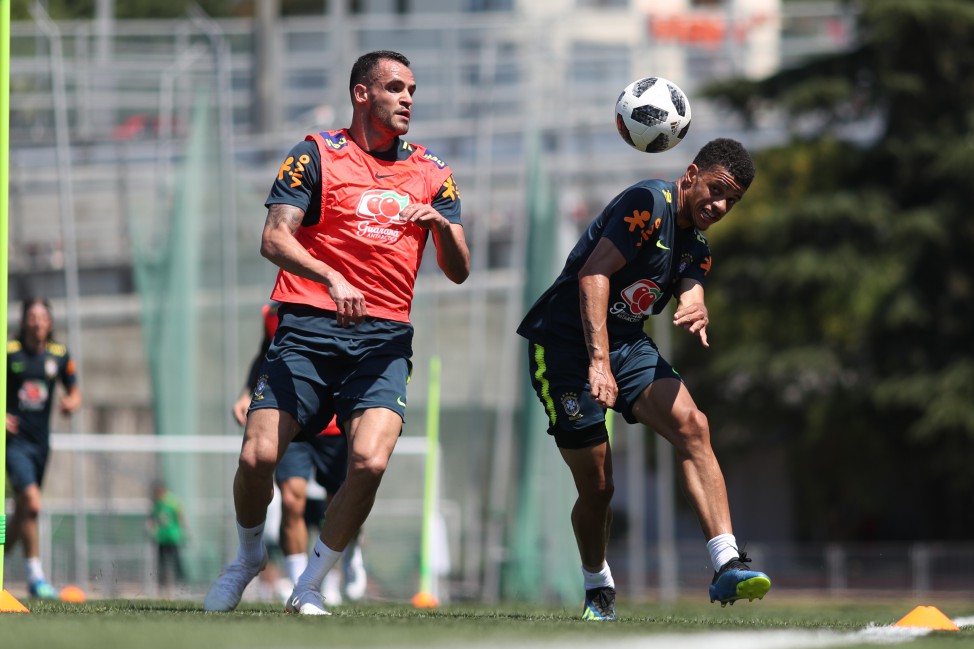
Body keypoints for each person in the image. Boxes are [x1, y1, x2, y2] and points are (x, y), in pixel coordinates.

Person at [204, 50, 469, 615]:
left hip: (384, 340)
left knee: (370, 462)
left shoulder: (432, 171)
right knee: (257, 458)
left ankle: (310, 584)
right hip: (306, 329)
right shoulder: (315, 156)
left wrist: (442, 229)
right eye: (395, 88)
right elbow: (274, 238)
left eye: (412, 90)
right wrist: (330, 275)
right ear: (362, 94)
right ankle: (249, 556)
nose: (408, 99)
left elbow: (460, 268)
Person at [516, 138, 772, 620]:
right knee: (598, 488)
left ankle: (726, 564)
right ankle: (597, 582)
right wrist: (598, 361)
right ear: (692, 173)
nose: (719, 206)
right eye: (716, 191)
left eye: (731, 202)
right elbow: (594, 275)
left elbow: (692, 281)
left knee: (693, 426)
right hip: (566, 346)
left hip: (628, 344)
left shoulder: (697, 244)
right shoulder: (648, 204)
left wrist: (695, 302)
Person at [231, 301, 367, 605]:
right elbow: (268, 353)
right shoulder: (272, 312)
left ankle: (347, 555)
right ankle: (300, 585)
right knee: (292, 499)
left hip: (335, 423)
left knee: (340, 502)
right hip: (293, 417)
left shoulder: (346, 301)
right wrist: (246, 392)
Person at [5, 297, 82, 599]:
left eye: (43, 317)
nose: (38, 322)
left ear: (50, 322)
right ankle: (35, 577)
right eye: (32, 316)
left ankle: (8, 552)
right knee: (32, 502)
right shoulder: (9, 352)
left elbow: (75, 393)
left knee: (26, 510)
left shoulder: (59, 355)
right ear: (24, 321)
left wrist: (70, 404)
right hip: (14, 443)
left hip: (41, 445)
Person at [147, 480, 186, 597]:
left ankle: (179, 587)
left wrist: (182, 532)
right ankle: (163, 589)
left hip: (173, 537)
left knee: (175, 563)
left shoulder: (172, 502)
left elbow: (180, 516)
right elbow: (153, 519)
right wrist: (152, 530)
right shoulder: (157, 504)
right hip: (161, 539)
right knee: (162, 565)